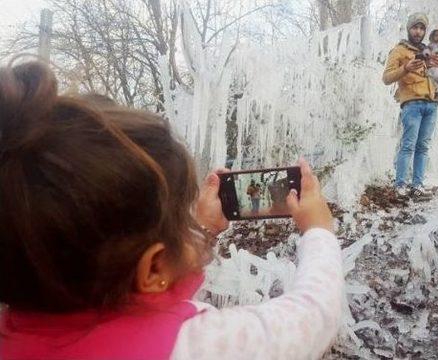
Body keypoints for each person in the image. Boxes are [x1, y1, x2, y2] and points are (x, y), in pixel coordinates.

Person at [0, 59, 343, 359]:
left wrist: (201, 230)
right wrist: (318, 230)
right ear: (153, 267)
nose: (187, 222)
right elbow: (314, 317)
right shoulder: (194, 346)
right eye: (181, 218)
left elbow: (141, 288)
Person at [382, 12, 438, 197]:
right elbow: (386, 78)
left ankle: (417, 185)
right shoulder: (399, 50)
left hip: (431, 104)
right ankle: (400, 185)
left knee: (423, 147)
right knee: (408, 145)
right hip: (412, 104)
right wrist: (405, 68)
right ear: (409, 29)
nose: (418, 31)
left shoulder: (430, 50)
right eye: (415, 27)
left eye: (422, 28)